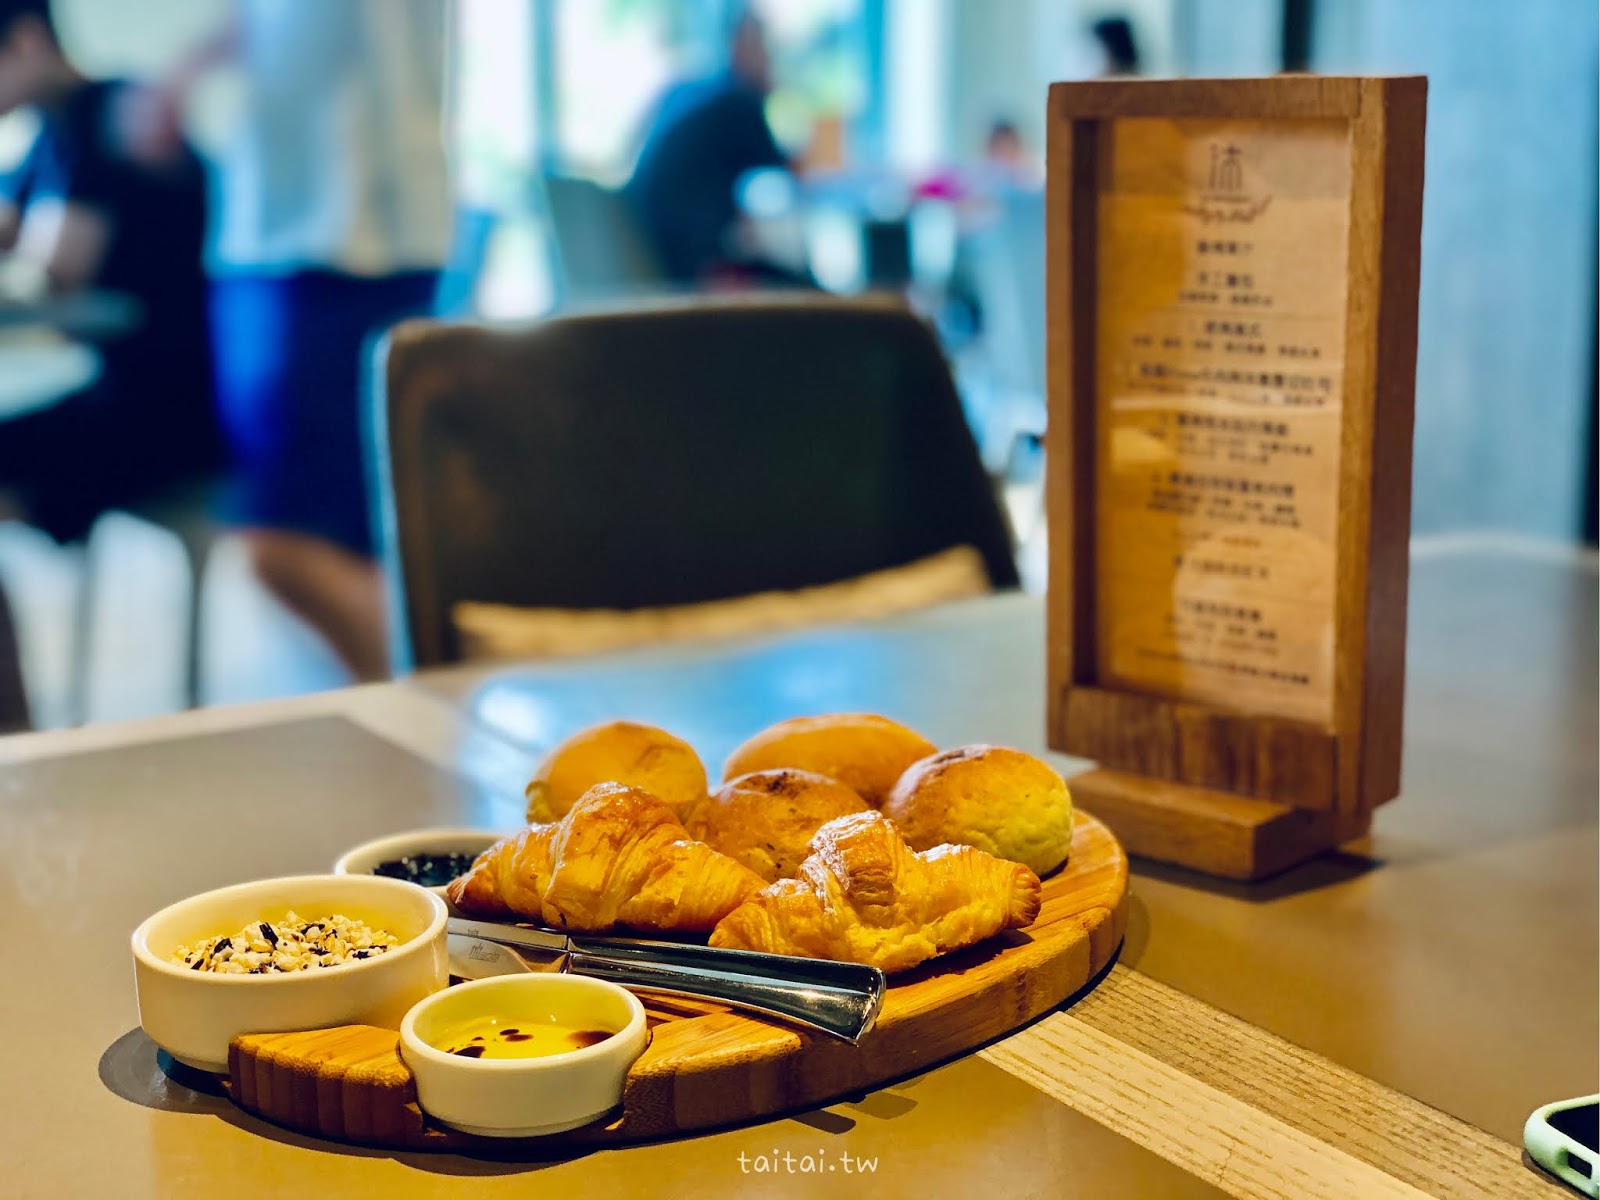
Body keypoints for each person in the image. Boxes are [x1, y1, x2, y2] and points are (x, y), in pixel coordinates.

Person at [142, 0, 451, 681]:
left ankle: (426, 709)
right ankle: (415, 710)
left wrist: (183, 73)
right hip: (305, 232)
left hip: (338, 236)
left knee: (286, 542)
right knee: (324, 540)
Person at [0, 0, 217, 547]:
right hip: (120, 389)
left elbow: (55, 269)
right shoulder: (51, 135)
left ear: (26, 41)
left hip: (169, 407)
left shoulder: (112, 114)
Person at [625, 14, 790, 284]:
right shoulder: (738, 99)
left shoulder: (691, 92)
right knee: (799, 287)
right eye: (766, 50)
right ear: (738, 47)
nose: (771, 61)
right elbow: (788, 174)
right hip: (690, 266)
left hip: (648, 251)